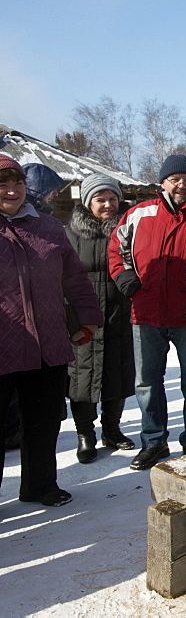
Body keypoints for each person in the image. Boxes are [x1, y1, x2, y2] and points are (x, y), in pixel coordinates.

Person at [108, 154, 186, 470]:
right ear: (162, 183)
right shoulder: (138, 214)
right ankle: (154, 441)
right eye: (175, 179)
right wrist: (127, 280)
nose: (181, 185)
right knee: (146, 381)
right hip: (146, 312)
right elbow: (116, 252)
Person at [0, 154, 102, 507]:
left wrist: (88, 318)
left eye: (17, 184)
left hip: (48, 342)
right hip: (4, 344)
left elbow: (74, 278)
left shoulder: (47, 227)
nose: (12, 191)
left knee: (43, 421)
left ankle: (40, 485)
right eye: (3, 184)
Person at [65, 174, 136, 464]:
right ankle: (85, 434)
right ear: (87, 202)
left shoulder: (128, 228)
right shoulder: (70, 233)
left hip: (120, 309)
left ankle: (112, 429)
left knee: (116, 371)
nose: (108, 204)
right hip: (83, 312)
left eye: (112, 198)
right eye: (100, 199)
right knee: (82, 374)